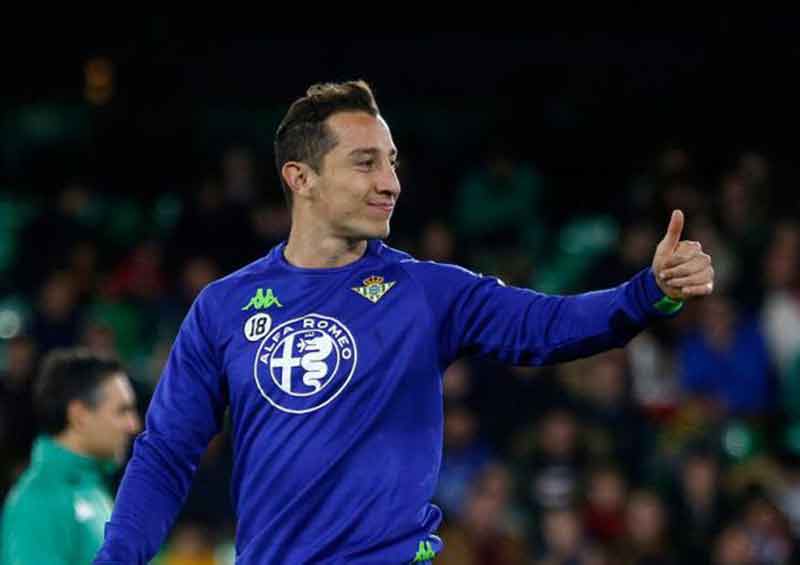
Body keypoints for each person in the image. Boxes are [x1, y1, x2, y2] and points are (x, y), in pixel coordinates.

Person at [95, 80, 715, 564]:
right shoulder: (223, 308)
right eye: (366, 163)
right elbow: (166, 454)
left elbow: (546, 325)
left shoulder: (425, 292)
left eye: (391, 162)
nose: (390, 182)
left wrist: (647, 291)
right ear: (300, 178)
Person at [1, 348, 140, 564]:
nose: (133, 425)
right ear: (80, 415)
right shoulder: (38, 501)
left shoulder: (92, 489)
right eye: (122, 411)